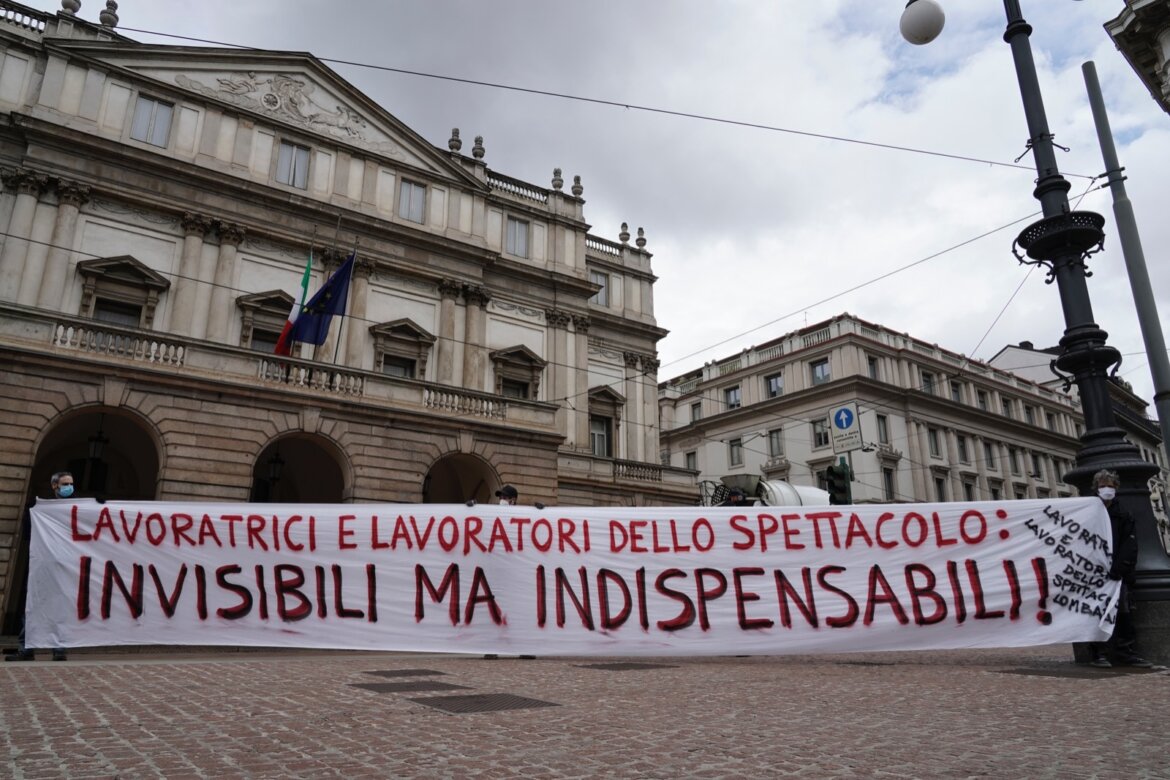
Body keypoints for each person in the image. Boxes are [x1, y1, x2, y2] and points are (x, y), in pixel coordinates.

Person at [1088, 469, 1152, 669]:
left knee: (1123, 612)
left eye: (1110, 486)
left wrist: (1119, 568)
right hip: (1094, 574)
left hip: (1118, 573)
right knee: (1096, 613)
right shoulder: (1088, 512)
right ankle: (1099, 652)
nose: (1106, 489)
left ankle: (1125, 651)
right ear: (1096, 489)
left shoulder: (1123, 514)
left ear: (1116, 488)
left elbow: (1129, 544)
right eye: (1102, 486)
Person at [6, 472, 72, 662]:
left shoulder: (79, 507)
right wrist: (31, 513)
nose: (69, 487)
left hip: (64, 566)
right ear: (55, 486)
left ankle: (59, 650)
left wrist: (99, 506)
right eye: (65, 484)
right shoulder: (39, 507)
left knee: (60, 606)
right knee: (32, 604)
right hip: (41, 564)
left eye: (71, 484)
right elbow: (28, 534)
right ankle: (26, 648)